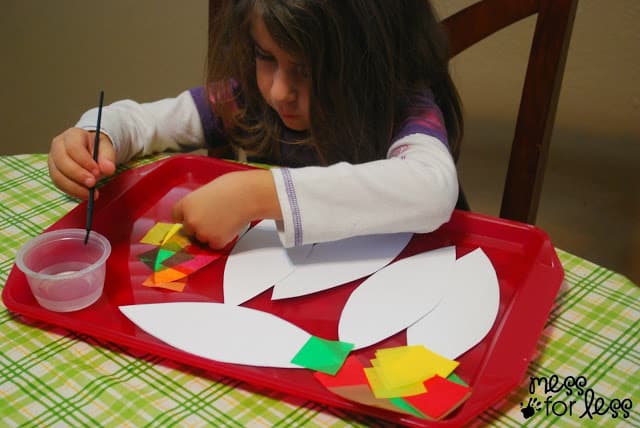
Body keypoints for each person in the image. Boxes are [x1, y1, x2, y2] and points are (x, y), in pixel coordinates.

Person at [48, 0, 463, 250]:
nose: (280, 91)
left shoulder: (401, 105)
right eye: (266, 57)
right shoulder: (247, 98)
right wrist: (96, 135)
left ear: (372, 62)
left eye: (307, 69)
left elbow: (432, 188)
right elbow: (143, 122)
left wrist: (254, 194)